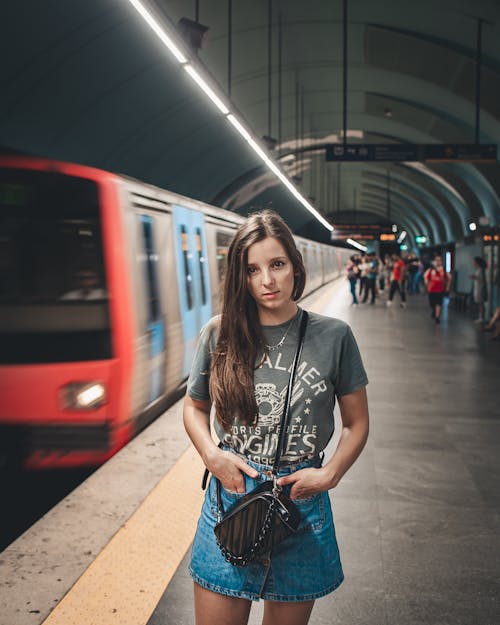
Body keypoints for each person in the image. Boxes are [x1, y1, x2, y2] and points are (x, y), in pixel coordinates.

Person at [183, 210, 369, 625]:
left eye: (277, 265)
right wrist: (211, 455)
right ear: (240, 277)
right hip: (230, 499)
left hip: (300, 502)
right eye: (252, 269)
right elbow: (194, 407)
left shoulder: (335, 336)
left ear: (295, 266)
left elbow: (357, 423)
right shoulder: (220, 334)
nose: (267, 280)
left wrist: (331, 474)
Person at [423, 255, 451, 324]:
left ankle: (437, 317)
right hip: (431, 289)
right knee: (432, 303)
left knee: (439, 303)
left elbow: (449, 278)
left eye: (440, 260)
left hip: (440, 290)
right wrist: (427, 284)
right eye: (437, 260)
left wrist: (447, 288)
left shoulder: (444, 271)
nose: (438, 262)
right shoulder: (431, 270)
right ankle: (434, 310)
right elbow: (425, 277)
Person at [470, 256, 488, 324]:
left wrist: (475, 277)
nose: (473, 263)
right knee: (480, 303)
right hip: (478, 288)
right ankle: (481, 317)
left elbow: (482, 280)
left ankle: (481, 317)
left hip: (480, 289)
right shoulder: (478, 269)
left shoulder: (481, 270)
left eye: (474, 262)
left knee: (481, 303)